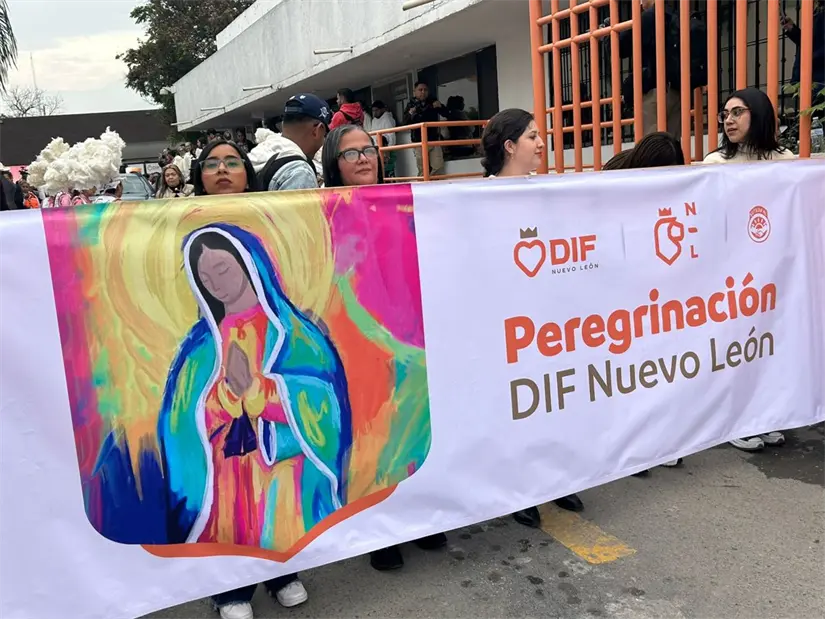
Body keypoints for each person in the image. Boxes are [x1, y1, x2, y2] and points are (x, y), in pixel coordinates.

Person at [189, 140, 311, 619]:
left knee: (279, 505)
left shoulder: (284, 324)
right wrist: (226, 392)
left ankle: (284, 571)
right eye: (212, 164)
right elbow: (192, 403)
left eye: (232, 162)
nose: (217, 280)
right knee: (231, 510)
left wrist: (259, 391)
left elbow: (316, 388)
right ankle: (231, 591)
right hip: (229, 452)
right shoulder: (206, 337)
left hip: (275, 446)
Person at [321, 124, 447, 569]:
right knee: (372, 432)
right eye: (350, 153)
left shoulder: (405, 200)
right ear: (333, 164)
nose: (362, 158)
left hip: (412, 336)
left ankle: (420, 519)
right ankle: (379, 532)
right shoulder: (323, 210)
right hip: (359, 338)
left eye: (368, 150)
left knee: (415, 426)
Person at [479, 108, 585, 526]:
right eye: (533, 137)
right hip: (505, 323)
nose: (542, 144)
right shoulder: (477, 198)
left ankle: (556, 480)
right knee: (516, 405)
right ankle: (518, 489)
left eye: (540, 137)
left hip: (547, 322)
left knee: (552, 398)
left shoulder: (547, 192)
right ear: (509, 146)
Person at [619, 0, 681, 136]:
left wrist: (608, 35)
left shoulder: (649, 17)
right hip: (676, 91)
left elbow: (620, 48)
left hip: (653, 90)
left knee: (649, 145)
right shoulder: (675, 16)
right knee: (672, 144)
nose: (640, 3)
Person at [250, 93, 329, 191]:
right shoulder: (299, 172)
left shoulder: (257, 155)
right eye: (325, 134)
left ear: (283, 124)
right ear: (318, 131)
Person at [703, 88, 796, 165]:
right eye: (725, 115)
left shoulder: (785, 159)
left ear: (759, 114)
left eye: (737, 112)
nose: (728, 121)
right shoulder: (714, 162)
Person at [782, 1, 825, 106]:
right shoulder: (817, 11)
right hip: (811, 78)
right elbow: (810, 42)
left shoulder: (820, 13)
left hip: (818, 79)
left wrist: (807, 58)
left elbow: (815, 46)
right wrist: (793, 30)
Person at [403, 81, 446, 178]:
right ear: (414, 92)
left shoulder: (433, 101)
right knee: (422, 169)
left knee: (438, 166)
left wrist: (441, 106)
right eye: (420, 90)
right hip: (419, 141)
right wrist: (410, 114)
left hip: (434, 139)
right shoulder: (411, 104)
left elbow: (446, 113)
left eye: (425, 90)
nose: (423, 92)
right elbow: (405, 122)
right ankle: (423, 189)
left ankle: (436, 189)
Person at [370, 101, 397, 178]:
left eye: (376, 110)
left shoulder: (387, 118)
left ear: (382, 109)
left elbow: (391, 136)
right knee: (380, 171)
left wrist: (387, 150)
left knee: (388, 171)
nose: (374, 112)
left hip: (387, 149)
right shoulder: (374, 120)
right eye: (373, 110)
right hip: (376, 148)